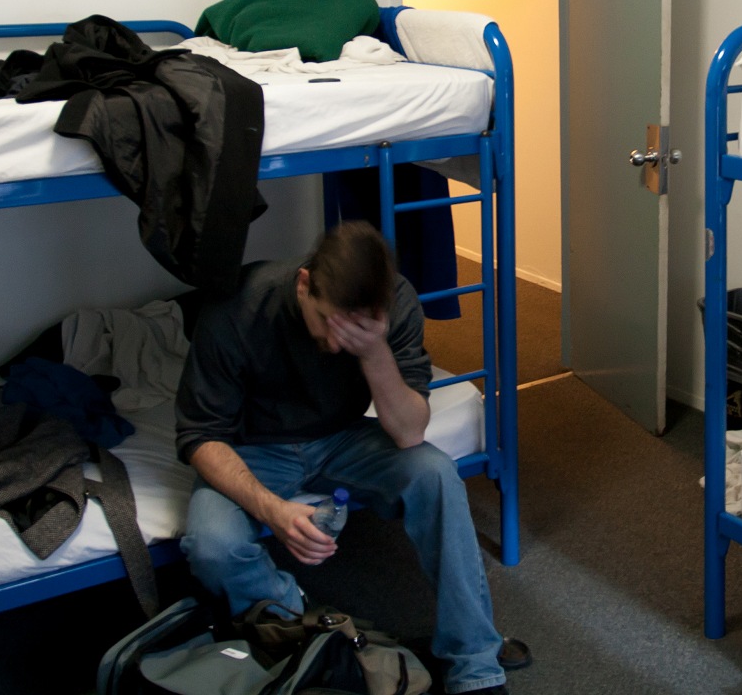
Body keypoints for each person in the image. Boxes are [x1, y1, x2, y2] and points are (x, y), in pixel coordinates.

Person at [175, 220, 523, 695]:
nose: (337, 343)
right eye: (328, 322)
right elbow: (200, 437)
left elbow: (409, 433)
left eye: (354, 330)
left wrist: (374, 350)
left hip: (344, 439)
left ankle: (474, 664)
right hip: (254, 448)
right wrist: (271, 510)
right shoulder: (238, 307)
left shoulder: (396, 303)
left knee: (436, 474)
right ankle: (308, 625)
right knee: (212, 545)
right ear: (304, 284)